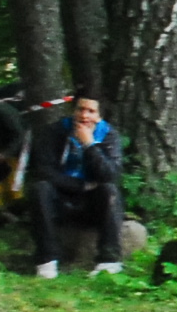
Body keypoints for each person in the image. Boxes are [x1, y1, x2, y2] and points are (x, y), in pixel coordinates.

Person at [25, 93, 127, 277]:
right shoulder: (55, 131)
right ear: (73, 111)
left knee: (109, 191)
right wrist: (80, 186)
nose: (84, 116)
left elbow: (109, 175)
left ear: (99, 116)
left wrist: (89, 145)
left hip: (92, 201)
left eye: (91, 111)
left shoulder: (109, 135)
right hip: (61, 196)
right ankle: (47, 260)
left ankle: (109, 260)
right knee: (40, 189)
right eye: (80, 109)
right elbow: (43, 171)